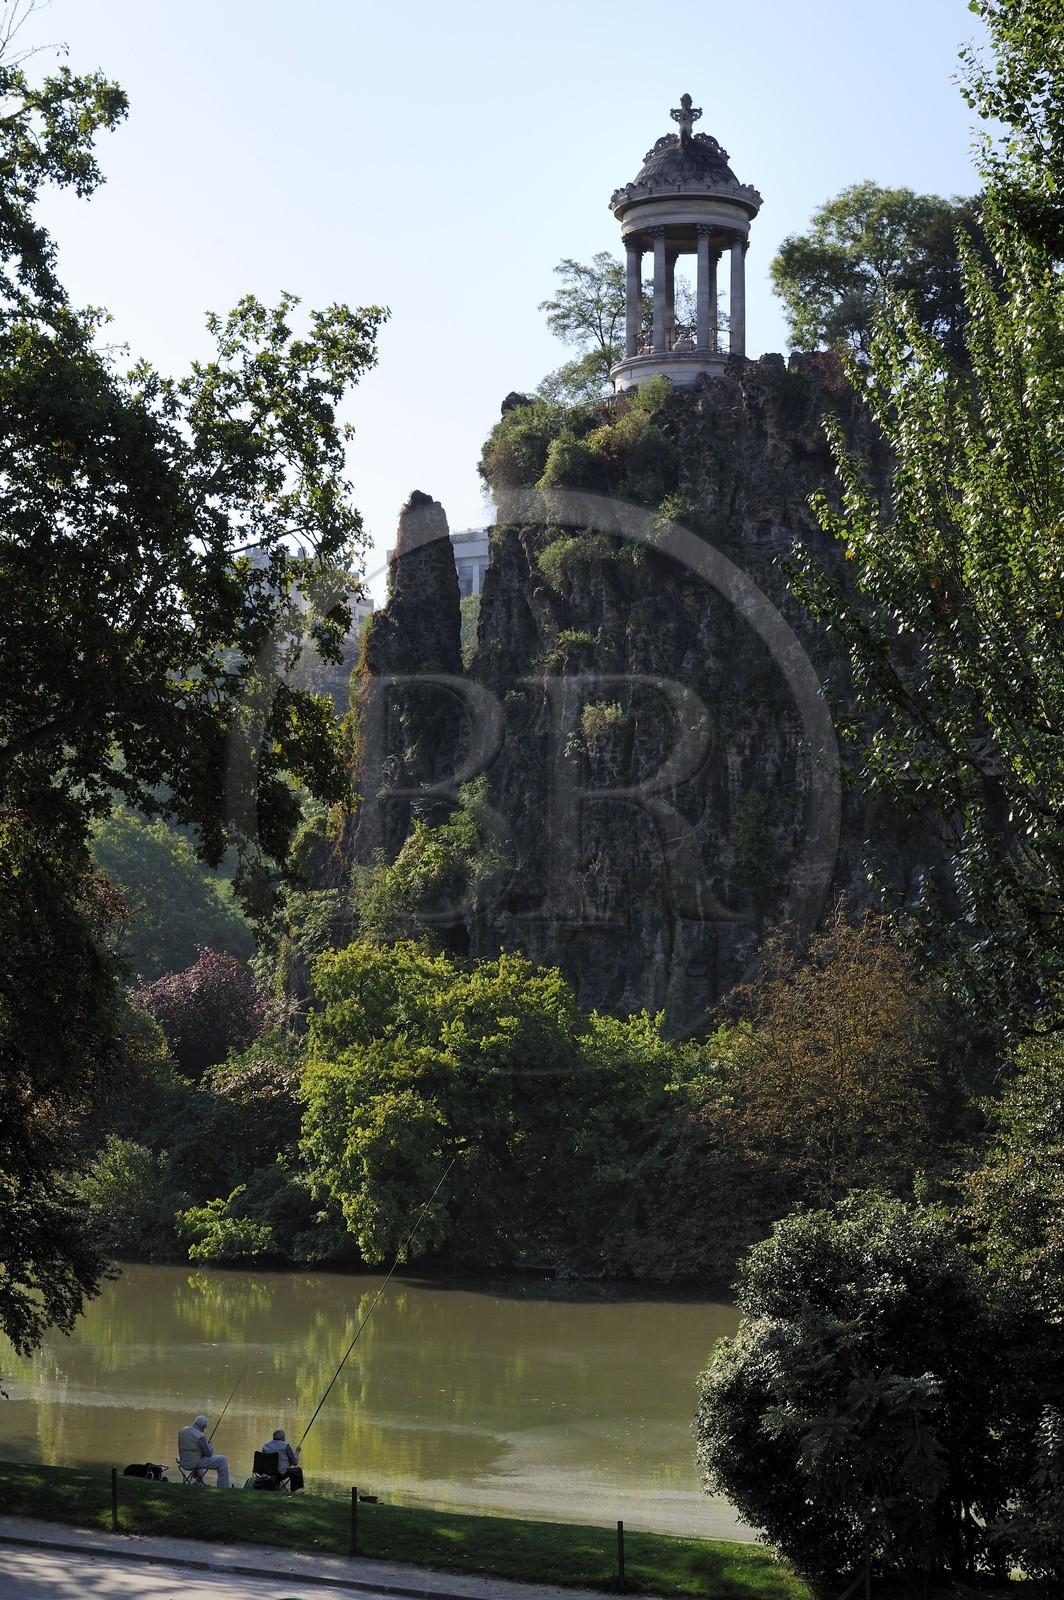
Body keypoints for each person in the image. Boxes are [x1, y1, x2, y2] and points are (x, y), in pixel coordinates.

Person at [177, 1414, 232, 1488]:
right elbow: (209, 1454)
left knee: (199, 1457)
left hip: (183, 1462)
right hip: (194, 1463)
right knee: (222, 1460)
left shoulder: (182, 1430)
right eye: (205, 1429)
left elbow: (191, 1446)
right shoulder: (200, 1436)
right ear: (203, 1427)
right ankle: (223, 1487)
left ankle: (201, 1484)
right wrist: (209, 1445)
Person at [261, 1427, 303, 1491]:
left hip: (267, 1473)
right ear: (282, 1438)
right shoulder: (285, 1446)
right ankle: (294, 1491)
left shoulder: (265, 1446)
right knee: (297, 1470)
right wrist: (297, 1452)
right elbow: (295, 1462)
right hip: (281, 1473)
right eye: (284, 1437)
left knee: (288, 1470)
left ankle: (276, 1488)